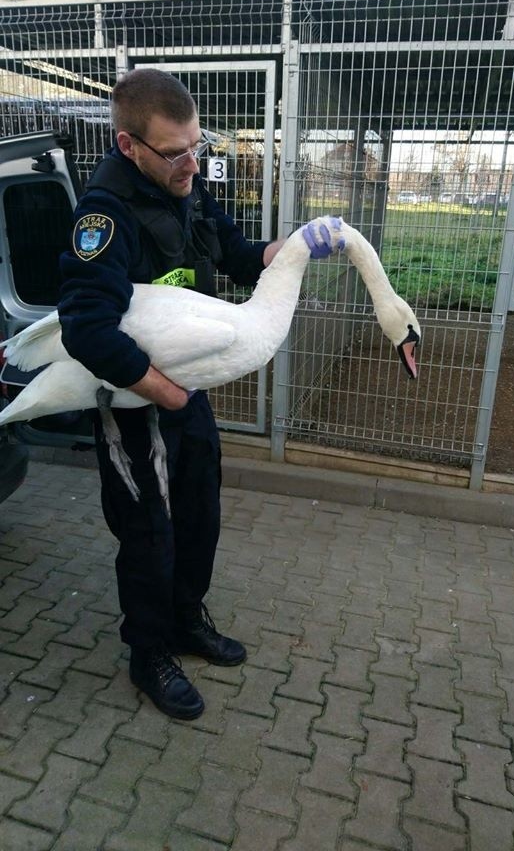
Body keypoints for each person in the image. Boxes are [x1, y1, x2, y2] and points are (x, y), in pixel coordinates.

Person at [57, 67, 335, 720]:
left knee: (200, 515)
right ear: (129, 146)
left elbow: (236, 253)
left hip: (190, 393)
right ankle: (149, 651)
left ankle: (186, 621)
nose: (192, 161)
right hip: (136, 404)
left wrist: (290, 254)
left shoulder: (189, 186)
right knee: (148, 534)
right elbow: (86, 328)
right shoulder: (103, 217)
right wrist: (164, 392)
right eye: (175, 151)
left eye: (197, 144)